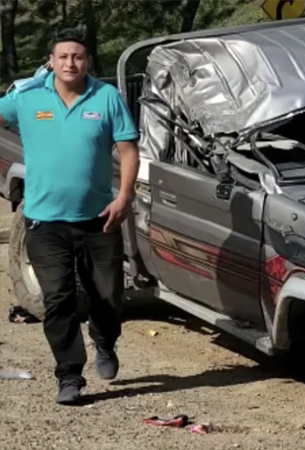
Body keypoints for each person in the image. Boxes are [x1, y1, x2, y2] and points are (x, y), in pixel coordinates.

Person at [0, 28, 140, 405]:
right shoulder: (27, 99)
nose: (70, 63)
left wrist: (124, 197)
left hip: (99, 219)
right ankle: (69, 375)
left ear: (87, 61)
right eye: (62, 56)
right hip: (44, 221)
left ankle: (105, 342)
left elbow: (128, 150)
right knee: (58, 299)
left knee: (107, 297)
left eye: (77, 56)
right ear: (50, 60)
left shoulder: (107, 97)